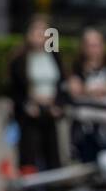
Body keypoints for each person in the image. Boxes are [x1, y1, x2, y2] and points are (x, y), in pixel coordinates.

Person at [6, 15, 65, 174]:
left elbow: (61, 84)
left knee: (52, 155)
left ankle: (54, 188)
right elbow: (15, 89)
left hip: (50, 112)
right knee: (29, 156)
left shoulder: (53, 56)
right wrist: (28, 104)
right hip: (30, 114)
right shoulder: (20, 59)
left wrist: (58, 105)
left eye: (44, 32)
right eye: (36, 32)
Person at [67, 27, 106, 164]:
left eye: (97, 45)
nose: (93, 50)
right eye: (90, 45)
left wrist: (89, 90)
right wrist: (104, 90)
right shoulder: (77, 68)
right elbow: (74, 90)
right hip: (84, 129)